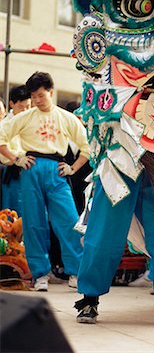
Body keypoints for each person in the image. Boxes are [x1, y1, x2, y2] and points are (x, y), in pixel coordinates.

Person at [0, 72, 90, 292]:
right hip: (31, 168)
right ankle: (40, 273)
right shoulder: (24, 117)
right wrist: (16, 159)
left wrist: (73, 168)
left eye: (41, 95)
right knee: (33, 223)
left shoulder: (67, 118)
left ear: (51, 91)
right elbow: (1, 139)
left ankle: (76, 271)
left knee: (69, 220)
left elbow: (86, 147)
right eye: (34, 96)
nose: (37, 100)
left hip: (58, 171)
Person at [0, 85, 31, 214]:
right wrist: (18, 157)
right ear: (12, 104)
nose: (25, 111)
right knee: (12, 215)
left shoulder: (31, 121)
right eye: (21, 107)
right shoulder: (5, 125)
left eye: (28, 107)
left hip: (31, 173)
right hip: (13, 174)